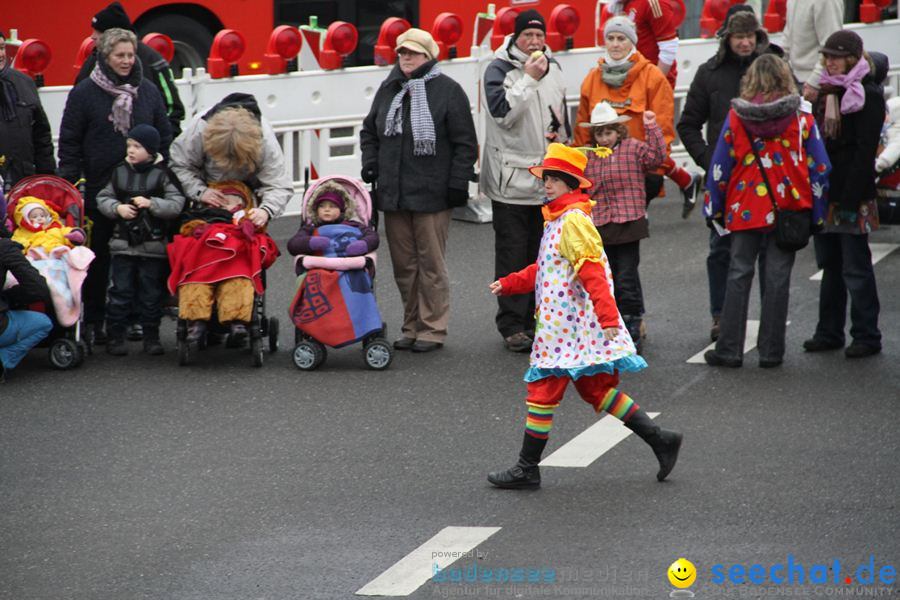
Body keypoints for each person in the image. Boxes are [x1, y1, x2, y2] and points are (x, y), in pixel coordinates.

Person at [485, 143, 681, 489]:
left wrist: (608, 320)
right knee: (596, 389)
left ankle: (527, 467)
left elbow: (594, 273)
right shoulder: (560, 218)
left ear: (572, 183)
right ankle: (660, 438)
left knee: (543, 390)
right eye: (546, 178)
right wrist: (510, 283)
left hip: (567, 330)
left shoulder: (573, 221)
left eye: (555, 179)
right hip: (567, 328)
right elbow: (545, 268)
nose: (547, 185)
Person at [702, 54, 831, 369]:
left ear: (752, 80)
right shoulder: (801, 119)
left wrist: (714, 208)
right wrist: (817, 213)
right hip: (789, 207)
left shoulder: (737, 117)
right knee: (777, 278)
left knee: (738, 273)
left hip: (745, 207)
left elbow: (720, 167)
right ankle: (771, 352)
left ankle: (729, 349)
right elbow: (821, 167)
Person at [360, 28, 477, 353]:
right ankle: (410, 326)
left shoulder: (448, 91)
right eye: (402, 52)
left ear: (428, 55)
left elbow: (465, 143)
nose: (406, 58)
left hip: (432, 194)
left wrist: (458, 183)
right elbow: (370, 131)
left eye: (413, 52)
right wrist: (371, 161)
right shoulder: (389, 88)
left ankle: (432, 329)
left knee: (431, 266)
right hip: (395, 195)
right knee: (404, 267)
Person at [57, 27, 172, 347]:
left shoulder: (147, 90)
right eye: (119, 55)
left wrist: (161, 172)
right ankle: (95, 318)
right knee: (98, 259)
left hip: (143, 190)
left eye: (130, 55)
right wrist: (69, 183)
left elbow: (164, 133)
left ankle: (135, 319)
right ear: (105, 56)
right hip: (100, 189)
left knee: (143, 258)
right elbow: (69, 142)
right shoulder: (84, 93)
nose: (125, 61)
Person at [676, 7, 779, 342]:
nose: (746, 42)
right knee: (721, 249)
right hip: (726, 179)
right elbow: (688, 124)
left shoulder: (775, 67)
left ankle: (770, 322)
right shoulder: (710, 72)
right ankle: (721, 316)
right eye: (739, 36)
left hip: (768, 177)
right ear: (727, 38)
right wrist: (710, 160)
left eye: (750, 35)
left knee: (769, 253)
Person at [481, 9, 569, 353]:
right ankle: (511, 325)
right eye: (527, 36)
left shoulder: (555, 67)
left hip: (548, 178)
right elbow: (502, 114)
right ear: (515, 38)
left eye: (538, 35)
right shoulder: (498, 68)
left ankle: (539, 319)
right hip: (511, 180)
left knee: (544, 254)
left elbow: (562, 115)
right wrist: (529, 78)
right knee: (512, 256)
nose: (534, 42)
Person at [804, 30, 886, 359]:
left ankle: (867, 334)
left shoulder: (867, 94)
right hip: (826, 193)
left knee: (855, 266)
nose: (830, 62)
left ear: (852, 58)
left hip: (853, 193)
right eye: (827, 57)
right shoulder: (824, 93)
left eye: (835, 57)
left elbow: (865, 152)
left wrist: (849, 201)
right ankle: (829, 331)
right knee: (830, 264)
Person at [574, 17, 700, 221]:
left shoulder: (653, 77)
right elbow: (582, 131)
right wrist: (579, 170)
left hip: (639, 172)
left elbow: (663, 128)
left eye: (621, 39)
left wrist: (655, 172)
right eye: (611, 38)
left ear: (632, 42)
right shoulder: (592, 79)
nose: (615, 44)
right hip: (601, 175)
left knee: (630, 239)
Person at [581, 103, 665, 353]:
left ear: (619, 131)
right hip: (601, 224)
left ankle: (632, 321)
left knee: (627, 275)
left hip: (629, 221)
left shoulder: (634, 148)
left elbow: (657, 158)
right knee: (608, 277)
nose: (604, 138)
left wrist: (651, 126)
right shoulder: (589, 156)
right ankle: (612, 323)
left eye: (609, 132)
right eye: (599, 133)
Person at [96, 124, 185, 356]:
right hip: (122, 245)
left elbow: (177, 204)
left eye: (137, 146)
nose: (131, 150)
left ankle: (151, 337)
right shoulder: (118, 172)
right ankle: (115, 336)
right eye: (129, 145)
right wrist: (118, 208)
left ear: (151, 150)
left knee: (151, 294)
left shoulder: (163, 175)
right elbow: (103, 197)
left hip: (152, 246)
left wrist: (152, 204)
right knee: (119, 292)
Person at [168, 180, 278, 345]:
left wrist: (249, 227)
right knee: (194, 285)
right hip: (202, 265)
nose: (226, 203)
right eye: (222, 198)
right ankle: (196, 322)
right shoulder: (199, 217)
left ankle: (237, 322)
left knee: (238, 285)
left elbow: (263, 243)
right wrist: (197, 228)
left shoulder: (244, 220)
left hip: (234, 266)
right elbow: (184, 232)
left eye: (234, 199)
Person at [169, 95, 292, 233]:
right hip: (205, 200)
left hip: (247, 200)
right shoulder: (199, 128)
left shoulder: (265, 140)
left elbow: (278, 185)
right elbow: (179, 164)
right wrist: (199, 191)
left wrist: (265, 211)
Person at [76, 2, 185, 137]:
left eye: (98, 31)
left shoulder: (152, 61)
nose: (93, 36)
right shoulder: (93, 60)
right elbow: (76, 113)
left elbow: (172, 108)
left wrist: (159, 143)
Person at [0, 30, 55, 190]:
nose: (1, 54)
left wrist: (47, 177)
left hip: (24, 181)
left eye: (2, 48)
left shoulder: (24, 83)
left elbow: (41, 135)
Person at [0, 233, 53, 383]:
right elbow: (38, 289)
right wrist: (10, 298)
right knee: (42, 323)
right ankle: (3, 359)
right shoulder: (4, 247)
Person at [287, 181, 378, 263]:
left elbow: (373, 237)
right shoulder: (311, 227)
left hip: (350, 264)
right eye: (322, 206)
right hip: (319, 265)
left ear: (342, 210)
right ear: (315, 209)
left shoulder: (354, 225)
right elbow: (293, 245)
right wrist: (311, 242)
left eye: (332, 206)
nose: (327, 210)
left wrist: (362, 245)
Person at [601, 0, 680, 89]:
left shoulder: (653, 3)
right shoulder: (615, 5)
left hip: (652, 82)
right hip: (628, 82)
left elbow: (669, 46)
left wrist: (654, 83)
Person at [781, 0, 844, 102]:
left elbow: (832, 46)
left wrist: (815, 82)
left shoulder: (827, 2)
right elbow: (787, 37)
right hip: (794, 81)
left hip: (817, 86)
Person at [10, 198, 86, 253]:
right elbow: (17, 241)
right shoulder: (23, 232)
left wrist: (73, 234)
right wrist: (27, 245)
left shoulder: (56, 227)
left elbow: (65, 232)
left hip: (57, 253)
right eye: (34, 217)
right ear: (26, 220)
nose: (39, 218)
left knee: (79, 253)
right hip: (35, 256)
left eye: (42, 216)